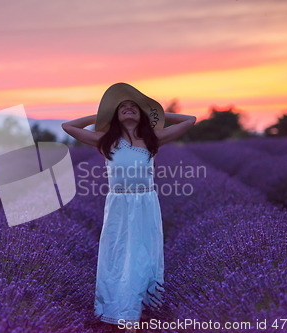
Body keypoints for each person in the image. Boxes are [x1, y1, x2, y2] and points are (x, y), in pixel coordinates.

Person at [62, 83, 196, 333]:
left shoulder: (152, 139)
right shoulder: (105, 141)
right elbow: (68, 127)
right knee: (118, 258)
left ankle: (136, 314)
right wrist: (102, 115)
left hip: (145, 204)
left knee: (143, 258)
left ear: (142, 114)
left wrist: (157, 114)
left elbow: (190, 120)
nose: (128, 109)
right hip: (119, 206)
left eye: (133, 107)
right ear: (115, 115)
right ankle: (121, 313)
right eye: (122, 107)